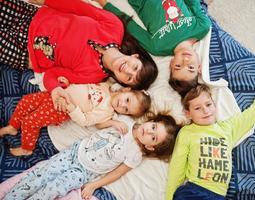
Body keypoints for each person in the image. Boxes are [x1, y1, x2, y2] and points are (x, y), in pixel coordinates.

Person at [0, 0, 158, 109]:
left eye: (129, 78)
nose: (127, 70)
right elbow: (78, 7)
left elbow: (52, 74)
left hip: (24, 53)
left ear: (123, 82)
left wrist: (55, 89)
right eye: (135, 68)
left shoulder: (92, 76)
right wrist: (46, 1)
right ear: (135, 56)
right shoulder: (114, 27)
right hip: (32, 17)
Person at [165, 66, 255, 200]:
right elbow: (177, 166)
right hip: (194, 191)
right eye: (197, 108)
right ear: (188, 114)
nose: (206, 111)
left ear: (214, 104)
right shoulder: (188, 132)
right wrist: (169, 197)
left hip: (219, 196)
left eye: (208, 105)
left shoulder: (228, 128)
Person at [3, 114, 180, 200]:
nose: (149, 131)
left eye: (153, 137)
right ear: (151, 121)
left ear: (150, 146)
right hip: (73, 153)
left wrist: (94, 185)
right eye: (154, 126)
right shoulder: (126, 121)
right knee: (40, 175)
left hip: (85, 173)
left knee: (53, 189)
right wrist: (112, 122)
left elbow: (117, 173)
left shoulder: (136, 155)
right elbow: (99, 123)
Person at [0, 80, 151, 156]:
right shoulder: (105, 85)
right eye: (127, 100)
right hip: (58, 95)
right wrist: (69, 84)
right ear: (126, 90)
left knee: (31, 121)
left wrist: (72, 109)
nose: (122, 105)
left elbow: (86, 121)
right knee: (26, 101)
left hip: (61, 109)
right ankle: (13, 126)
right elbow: (83, 86)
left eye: (126, 110)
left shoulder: (107, 111)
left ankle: (27, 148)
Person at [97, 0, 211, 96]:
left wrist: (103, 3)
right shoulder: (202, 27)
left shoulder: (157, 48)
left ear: (171, 64)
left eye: (178, 66)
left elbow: (131, 26)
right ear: (199, 67)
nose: (185, 60)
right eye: (191, 67)